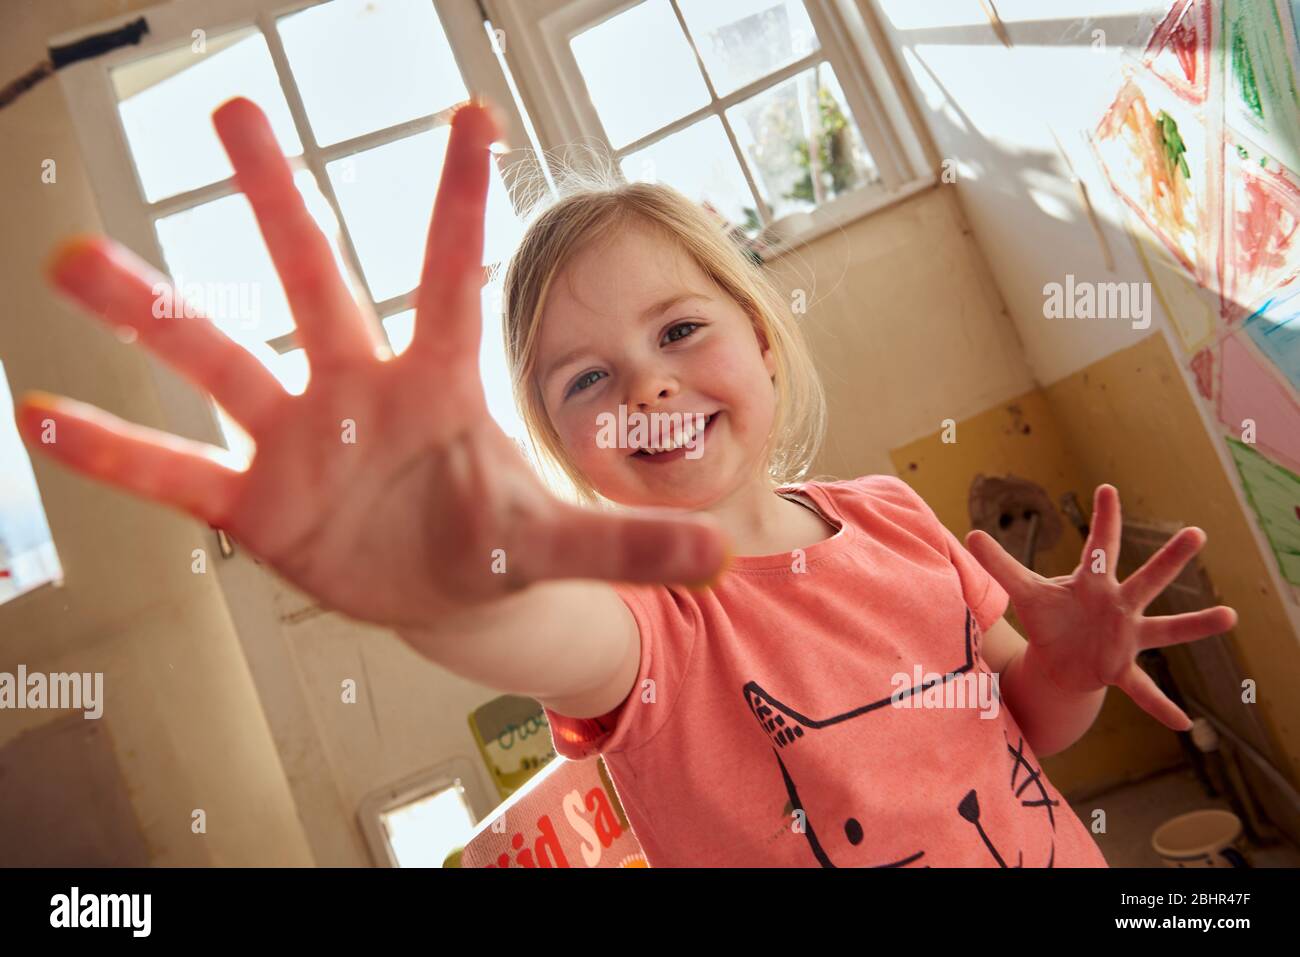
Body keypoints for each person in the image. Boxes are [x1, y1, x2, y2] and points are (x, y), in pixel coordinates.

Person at [19, 95, 1237, 867]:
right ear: (557, 452)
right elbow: (533, 627)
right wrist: (433, 575)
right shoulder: (645, 624)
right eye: (584, 381)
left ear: (761, 335)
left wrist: (1071, 672)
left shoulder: (895, 517)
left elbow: (1021, 726)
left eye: (676, 332)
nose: (646, 390)